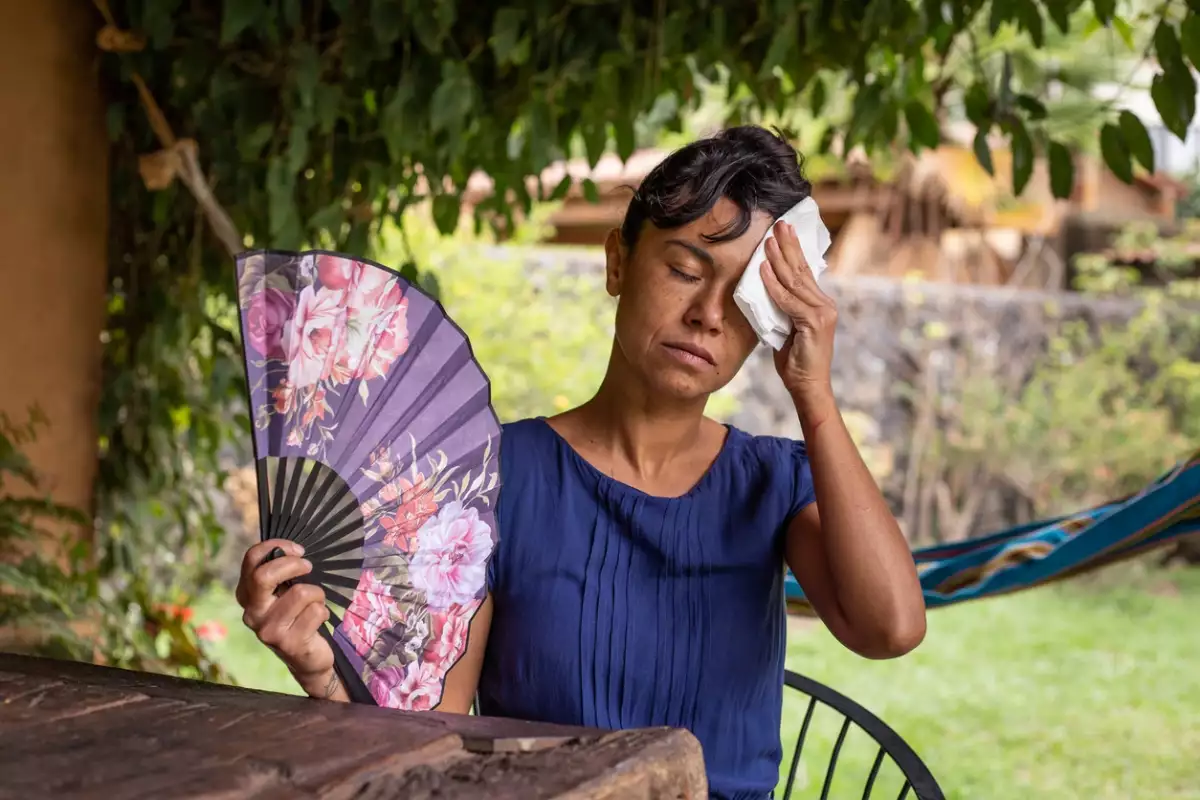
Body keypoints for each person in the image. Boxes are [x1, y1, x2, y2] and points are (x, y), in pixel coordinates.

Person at [235, 125, 926, 800]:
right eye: (685, 270)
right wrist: (323, 672)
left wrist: (814, 394)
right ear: (617, 262)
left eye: (745, 298)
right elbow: (430, 730)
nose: (709, 315)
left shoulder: (775, 483)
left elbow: (890, 628)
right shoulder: (494, 478)